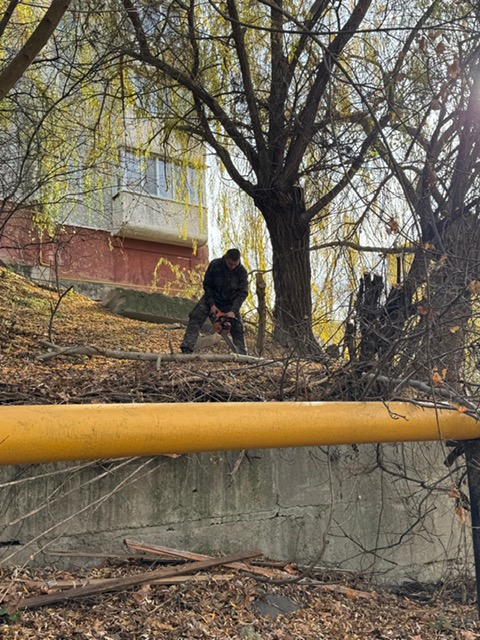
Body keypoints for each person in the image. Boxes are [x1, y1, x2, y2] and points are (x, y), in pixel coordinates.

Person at [180, 248, 248, 355]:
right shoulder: (215, 265)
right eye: (230, 264)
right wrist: (212, 305)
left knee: (238, 327)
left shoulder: (242, 272)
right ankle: (187, 348)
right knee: (196, 317)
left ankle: (242, 355)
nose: (233, 267)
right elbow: (207, 285)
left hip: (230, 303)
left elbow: (242, 293)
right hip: (211, 298)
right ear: (226, 259)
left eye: (235, 264)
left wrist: (233, 311)